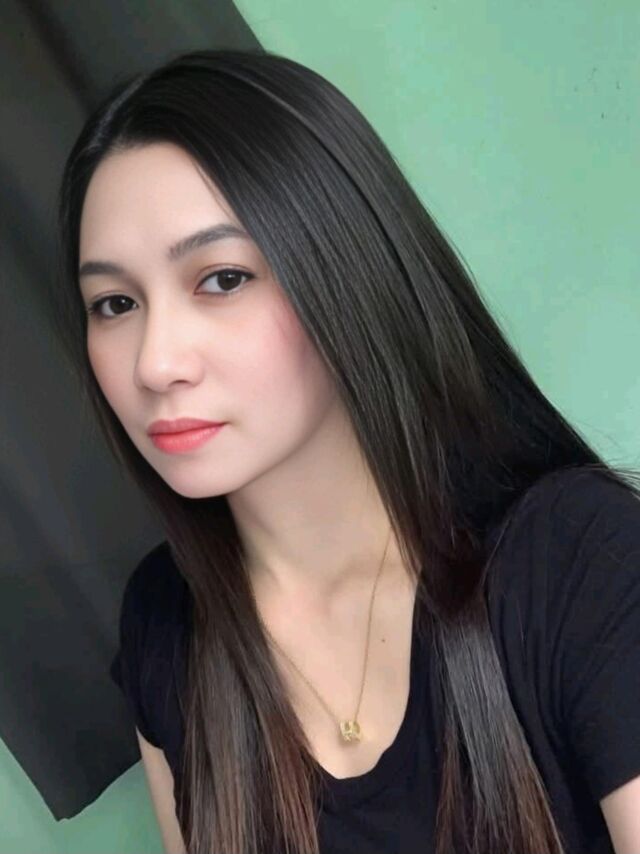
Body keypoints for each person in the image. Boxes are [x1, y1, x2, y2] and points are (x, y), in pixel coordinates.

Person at [53, 47, 640, 854]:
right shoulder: (166, 623)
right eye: (115, 303)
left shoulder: (580, 562)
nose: (155, 363)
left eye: (222, 279)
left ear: (345, 273)